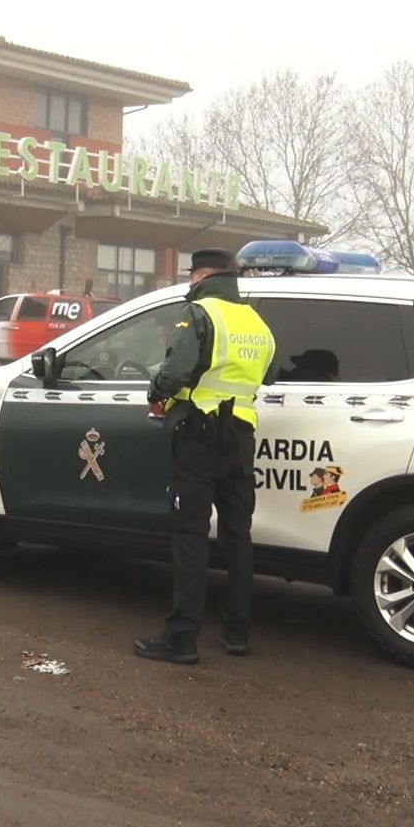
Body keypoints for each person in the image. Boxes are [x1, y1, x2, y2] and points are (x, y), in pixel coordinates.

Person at [135, 248, 276, 664]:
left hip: (199, 436)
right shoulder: (256, 322)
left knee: (191, 535)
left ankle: (181, 638)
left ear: (201, 275)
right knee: (238, 536)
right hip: (241, 437)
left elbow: (175, 373)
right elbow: (267, 374)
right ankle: (236, 632)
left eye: (192, 275)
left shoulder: (200, 314)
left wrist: (156, 391)